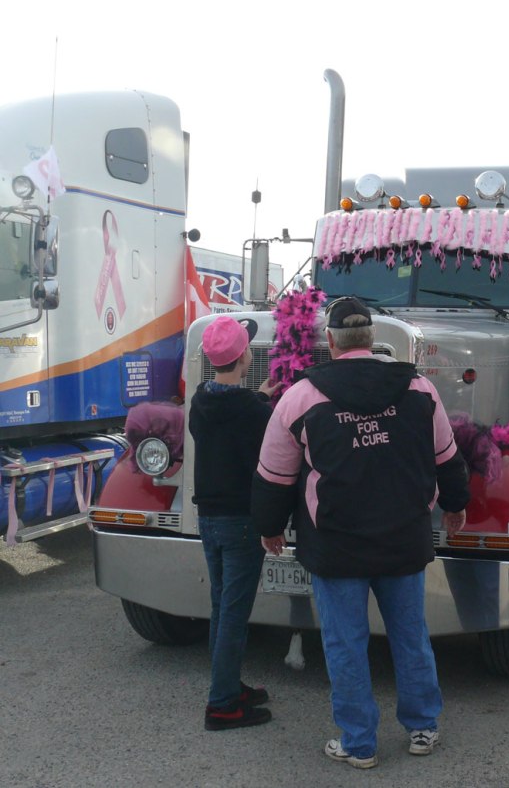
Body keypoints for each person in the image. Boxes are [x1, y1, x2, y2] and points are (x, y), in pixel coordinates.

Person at [251, 296, 469, 768]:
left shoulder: (301, 397)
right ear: (372, 339)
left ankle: (358, 743)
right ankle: (422, 727)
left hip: (336, 545)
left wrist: (269, 527)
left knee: (345, 644)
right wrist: (455, 505)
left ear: (330, 342)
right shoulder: (418, 388)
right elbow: (447, 457)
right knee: (410, 636)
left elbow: (274, 475)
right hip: (404, 537)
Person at [189, 315, 279, 731]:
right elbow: (266, 453)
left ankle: (227, 685)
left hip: (208, 519)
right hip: (241, 521)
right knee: (234, 614)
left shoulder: (200, 401)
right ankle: (222, 705)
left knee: (221, 607)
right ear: (245, 357)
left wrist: (259, 397)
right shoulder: (252, 412)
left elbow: (232, 416)